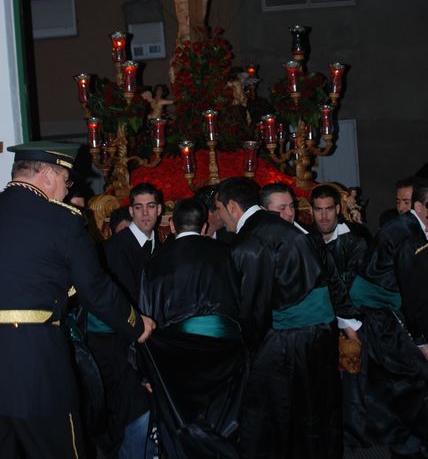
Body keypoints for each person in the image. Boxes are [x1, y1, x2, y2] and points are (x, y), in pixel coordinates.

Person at [0, 141, 155, 459]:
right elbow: (95, 289)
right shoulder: (62, 220)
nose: (65, 190)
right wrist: (137, 325)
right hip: (36, 362)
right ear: (46, 175)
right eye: (65, 181)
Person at [215, 177, 348, 459]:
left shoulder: (249, 241)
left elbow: (253, 310)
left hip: (291, 340)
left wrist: (247, 349)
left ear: (232, 206)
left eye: (219, 209)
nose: (217, 217)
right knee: (317, 411)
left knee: (275, 416)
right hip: (319, 333)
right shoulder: (279, 228)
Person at [139, 197, 246, 458]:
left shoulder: (156, 261)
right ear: (205, 226)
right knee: (221, 415)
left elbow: (146, 316)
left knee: (181, 418)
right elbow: (242, 300)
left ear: (172, 226)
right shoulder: (225, 252)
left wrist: (144, 371)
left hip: (175, 353)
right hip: (225, 347)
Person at [347, 181, 428, 458]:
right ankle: (407, 445)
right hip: (385, 318)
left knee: (396, 383)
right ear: (420, 207)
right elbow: (413, 291)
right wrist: (421, 340)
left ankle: (405, 443)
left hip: (382, 316)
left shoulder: (407, 228)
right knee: (410, 380)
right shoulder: (409, 236)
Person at [87, 182, 163, 458]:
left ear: (159, 210)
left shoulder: (156, 245)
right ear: (130, 211)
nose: (145, 213)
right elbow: (125, 307)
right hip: (117, 348)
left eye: (151, 206)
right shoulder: (117, 248)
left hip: (142, 347)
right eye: (139, 207)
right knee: (135, 415)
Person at [310, 184, 370, 289]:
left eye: (329, 209)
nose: (324, 216)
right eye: (318, 209)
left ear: (337, 209)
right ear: (311, 211)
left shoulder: (356, 239)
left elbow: (360, 287)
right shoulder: (303, 240)